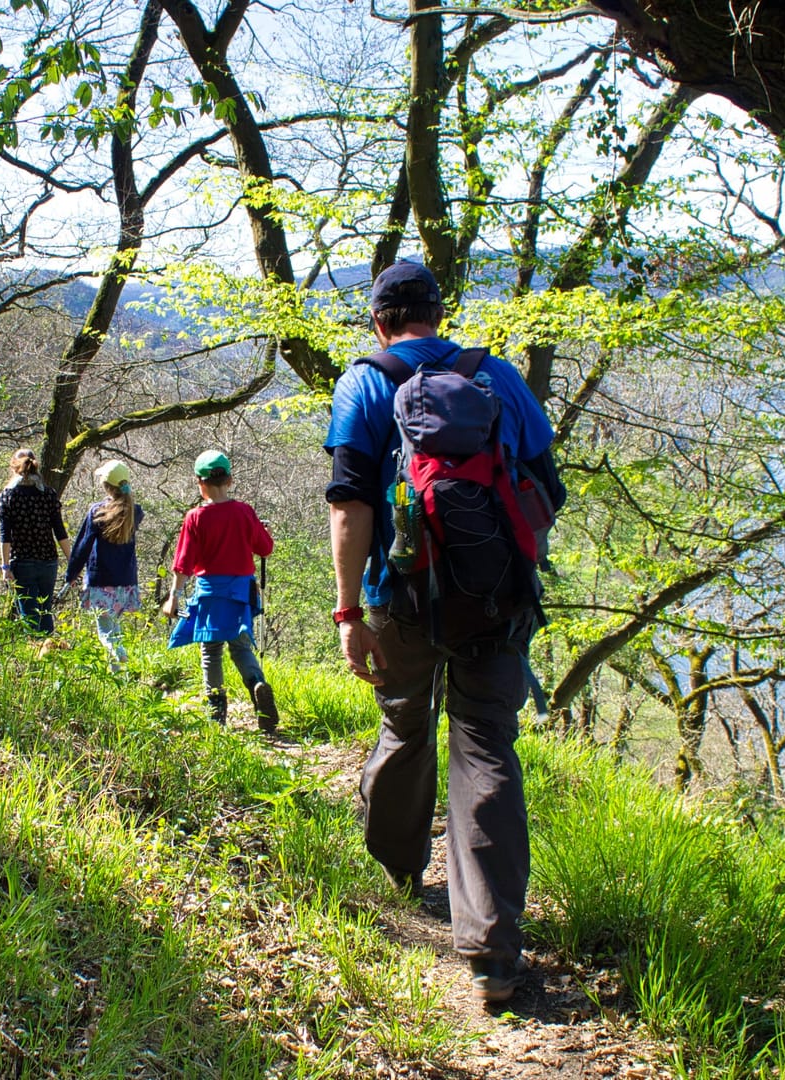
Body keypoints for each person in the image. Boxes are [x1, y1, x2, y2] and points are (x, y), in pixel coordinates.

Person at [323, 261, 565, 1006]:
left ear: (379, 322)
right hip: (495, 603)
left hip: (399, 596)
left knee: (404, 724)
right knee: (485, 742)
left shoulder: (366, 382)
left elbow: (349, 507)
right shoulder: (501, 379)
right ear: (439, 312)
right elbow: (546, 496)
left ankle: (396, 876)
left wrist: (348, 612)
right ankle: (493, 950)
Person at [162, 450, 280, 732]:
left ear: (200, 483)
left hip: (210, 595)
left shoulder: (195, 517)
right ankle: (256, 683)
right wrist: (260, 530)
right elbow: (265, 548)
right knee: (240, 647)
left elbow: (183, 564)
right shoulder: (244, 512)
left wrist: (173, 597)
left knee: (211, 652)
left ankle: (216, 714)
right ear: (229, 479)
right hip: (240, 594)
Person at [66, 460, 147, 671]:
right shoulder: (135, 512)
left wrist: (71, 574)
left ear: (106, 486)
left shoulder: (97, 511)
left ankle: (117, 653)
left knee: (105, 631)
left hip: (100, 581)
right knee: (114, 625)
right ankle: (117, 673)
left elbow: (82, 545)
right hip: (126, 582)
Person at [0, 448, 67, 636]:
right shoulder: (48, 495)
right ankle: (49, 655)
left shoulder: (8, 496)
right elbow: (60, 531)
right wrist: (72, 560)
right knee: (45, 612)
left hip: (22, 562)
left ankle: (37, 657)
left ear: (14, 467)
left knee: (29, 616)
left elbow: (5, 535)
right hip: (48, 561)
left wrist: (5, 566)